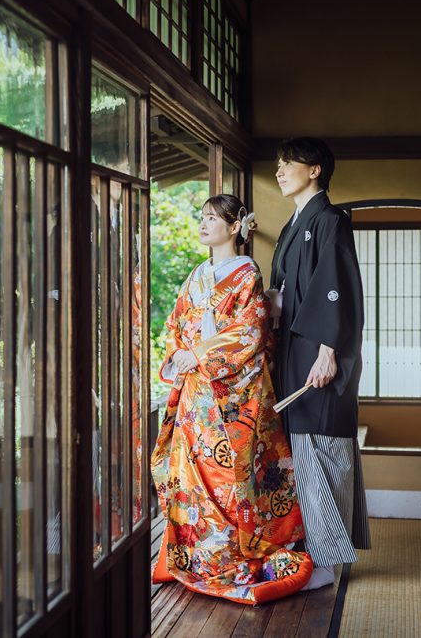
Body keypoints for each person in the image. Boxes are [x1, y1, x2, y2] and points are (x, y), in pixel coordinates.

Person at [151, 194, 312, 605]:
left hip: (231, 394)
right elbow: (176, 323)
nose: (204, 224)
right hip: (195, 392)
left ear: (235, 226)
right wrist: (182, 353)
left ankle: (228, 552)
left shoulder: (246, 274)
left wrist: (201, 353)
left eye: (212, 218)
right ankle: (195, 555)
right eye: (201, 217)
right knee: (190, 475)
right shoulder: (196, 274)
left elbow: (251, 331)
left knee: (230, 478)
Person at [268, 137, 371, 591]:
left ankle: (325, 564)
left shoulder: (330, 220)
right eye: (277, 164)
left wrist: (330, 351)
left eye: (288, 164)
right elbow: (288, 290)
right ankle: (311, 556)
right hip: (295, 352)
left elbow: (337, 289)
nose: (279, 171)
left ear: (314, 171)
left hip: (318, 355)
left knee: (323, 448)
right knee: (303, 450)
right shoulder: (295, 222)